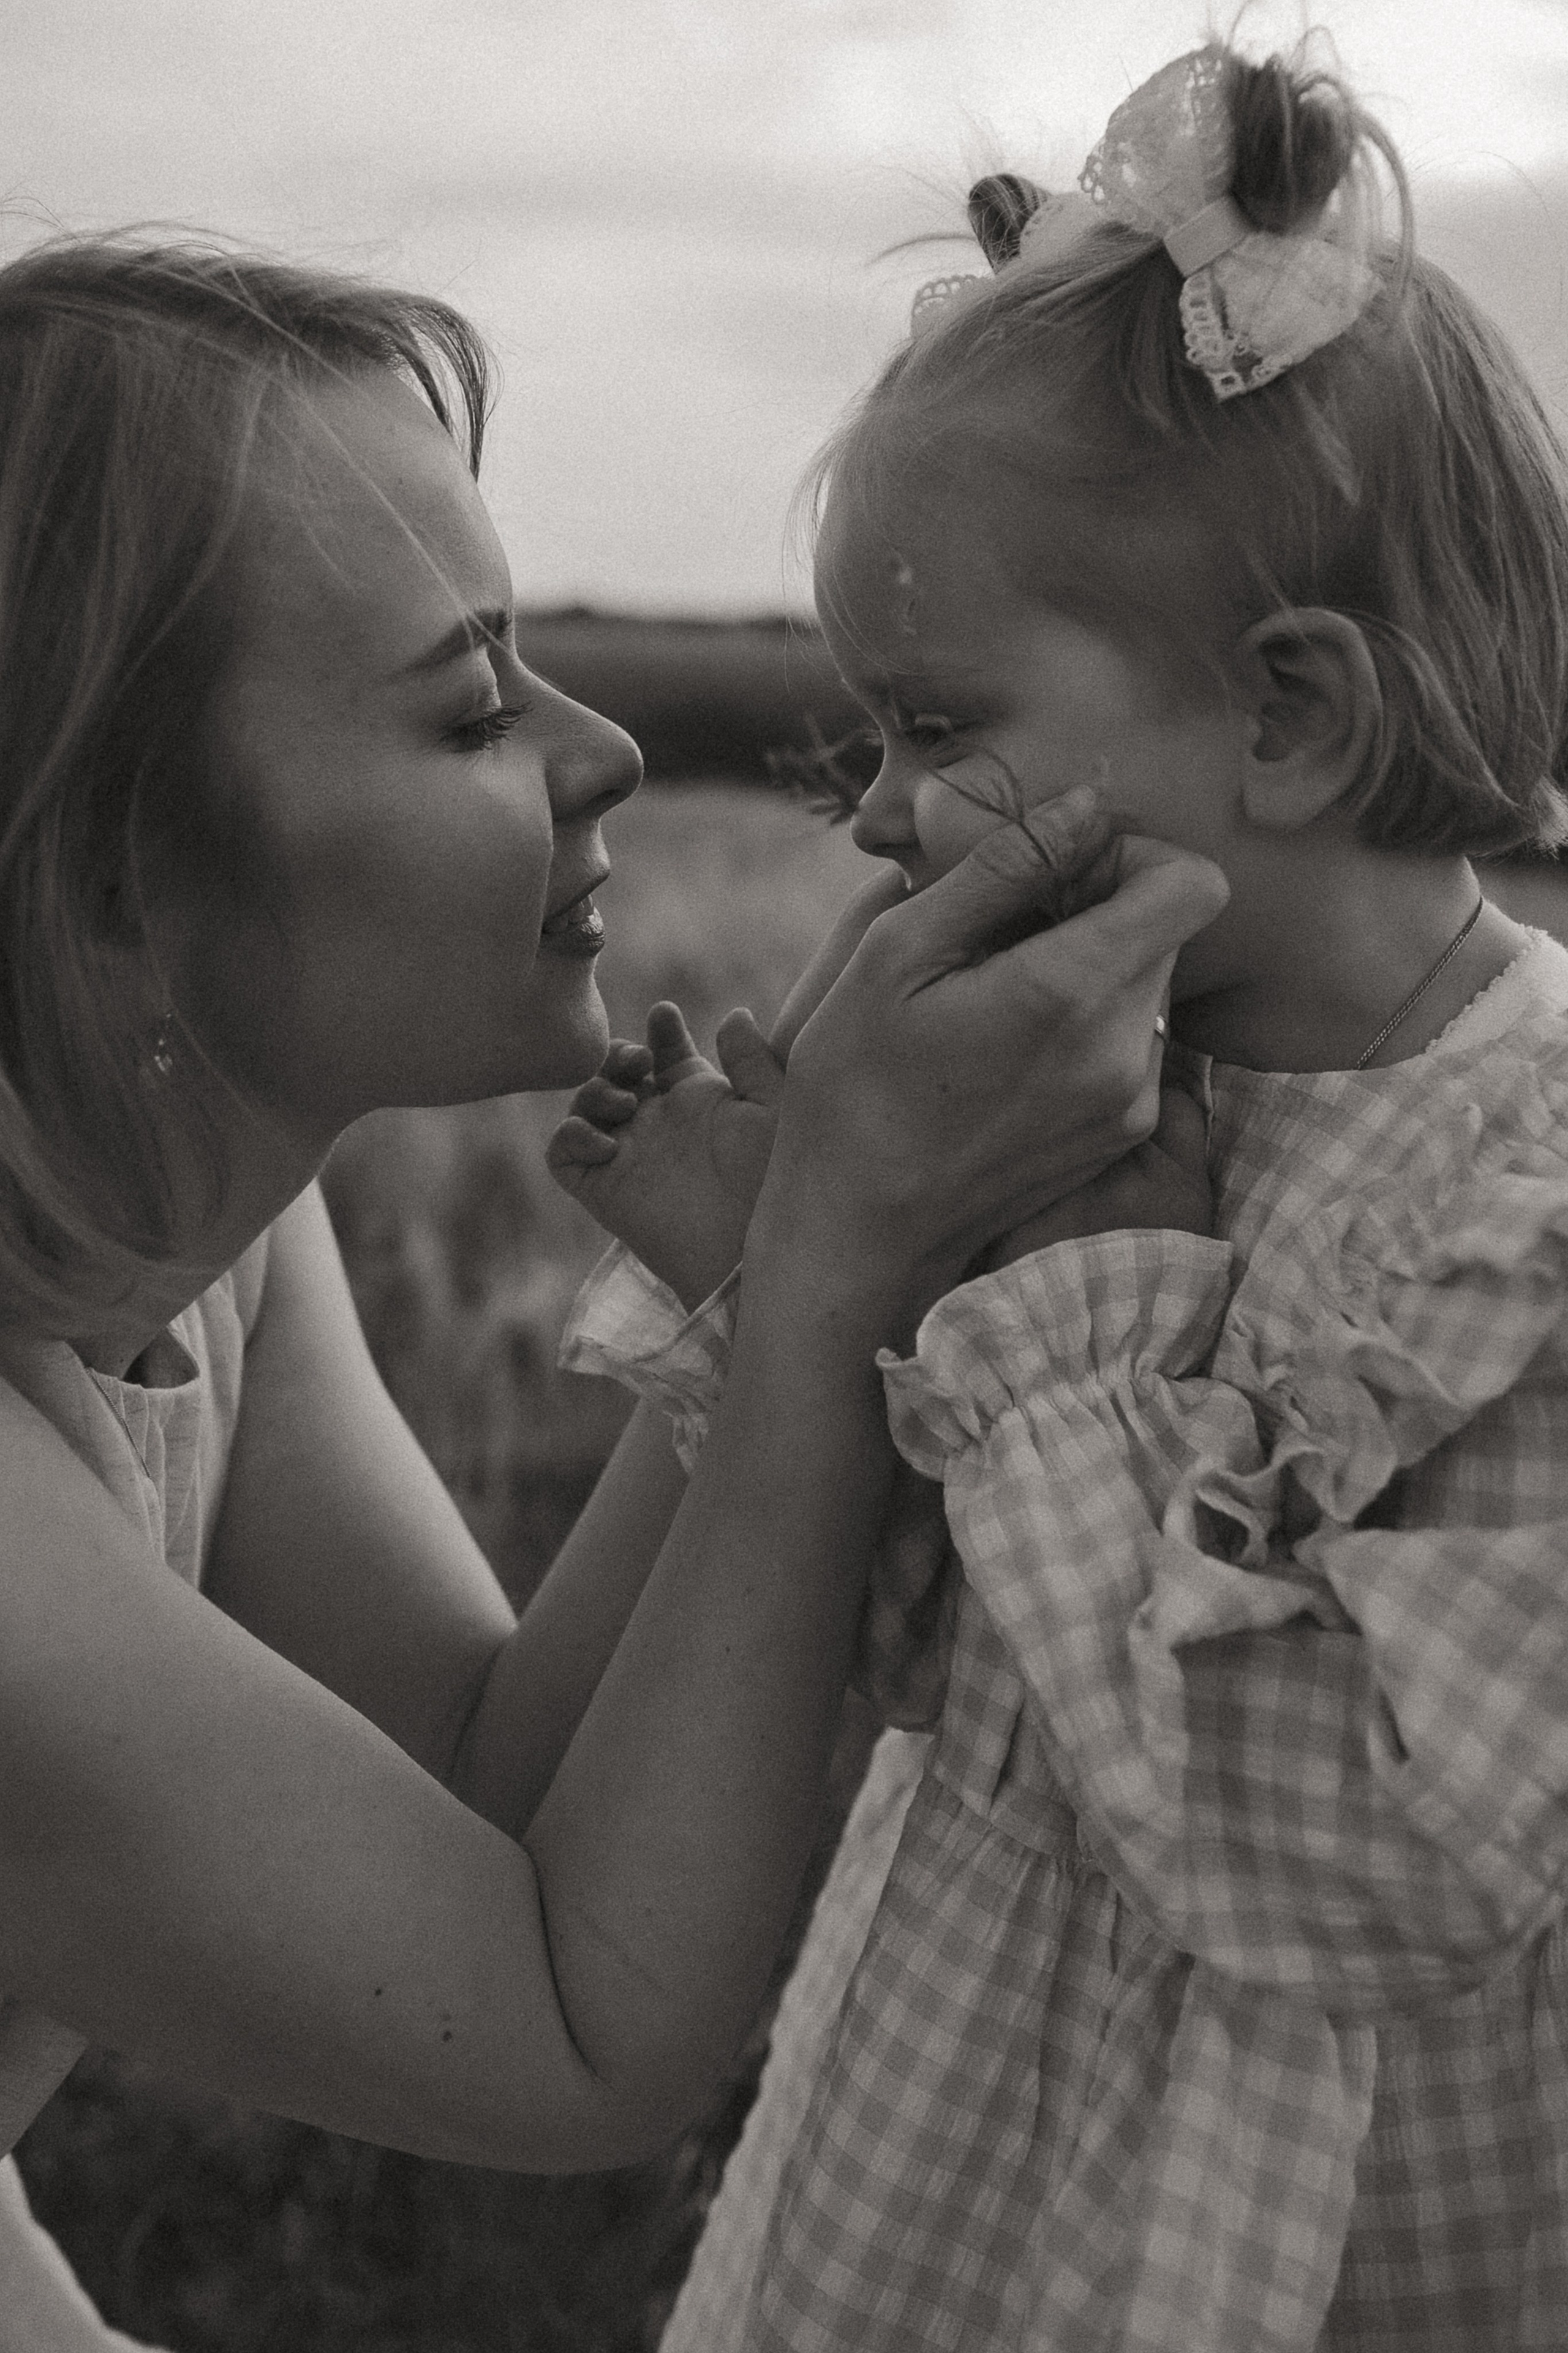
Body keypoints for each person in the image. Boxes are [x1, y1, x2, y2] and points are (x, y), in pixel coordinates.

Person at [0, 235, 1229, 2346]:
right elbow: (573, 2025)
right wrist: (835, 1260)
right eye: (474, 706)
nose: (608, 748)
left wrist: (785, 1233)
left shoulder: (210, 1240)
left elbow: (477, 1771)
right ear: (117, 869)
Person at [549, 36, 1568, 2352]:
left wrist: (1085, 1317)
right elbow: (979, 1679)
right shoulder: (1087, 1095)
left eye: (937, 726)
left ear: (1289, 717)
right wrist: (786, 1273)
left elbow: (1376, 1846)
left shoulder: (1523, 1211)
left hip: (1302, 2246)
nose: (871, 816)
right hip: (957, 2160)